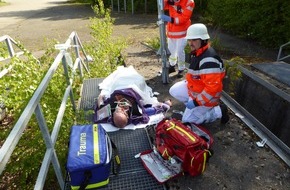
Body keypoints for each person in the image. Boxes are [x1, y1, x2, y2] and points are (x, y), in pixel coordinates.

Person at [169, 23, 229, 124]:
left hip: (209, 97)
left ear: (203, 40)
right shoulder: (198, 52)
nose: (190, 43)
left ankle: (218, 111)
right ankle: (194, 109)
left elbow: (212, 89)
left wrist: (196, 102)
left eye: (194, 40)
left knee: (188, 121)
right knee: (174, 90)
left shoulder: (209, 60)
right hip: (196, 89)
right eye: (189, 40)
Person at [95, 66, 171, 128]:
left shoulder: (109, 110)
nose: (120, 108)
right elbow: (148, 111)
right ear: (127, 115)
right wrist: (163, 105)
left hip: (119, 86)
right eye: (122, 111)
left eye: (118, 111)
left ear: (113, 115)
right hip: (133, 89)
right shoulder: (134, 113)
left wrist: (101, 97)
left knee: (120, 77)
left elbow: (100, 104)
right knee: (139, 80)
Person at [160, 0, 195, 78]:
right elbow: (162, 6)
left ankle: (181, 69)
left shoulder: (189, 2)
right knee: (171, 50)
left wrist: (171, 19)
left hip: (182, 32)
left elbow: (184, 18)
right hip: (171, 31)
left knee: (179, 51)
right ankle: (172, 66)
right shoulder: (171, 1)